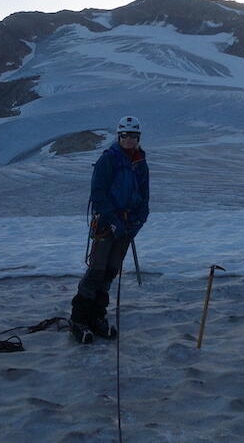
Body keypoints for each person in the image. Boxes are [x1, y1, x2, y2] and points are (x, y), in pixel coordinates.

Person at [69, 116, 150, 343]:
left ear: (138, 138)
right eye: (125, 135)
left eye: (134, 136)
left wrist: (138, 220)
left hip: (127, 225)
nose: (129, 140)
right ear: (119, 136)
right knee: (97, 271)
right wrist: (113, 220)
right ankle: (79, 319)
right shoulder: (109, 159)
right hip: (107, 224)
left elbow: (144, 196)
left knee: (110, 271)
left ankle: (97, 317)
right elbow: (98, 194)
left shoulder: (140, 162)